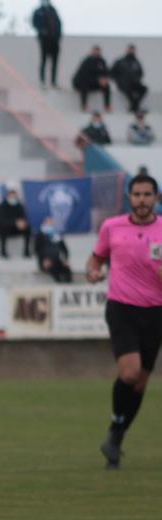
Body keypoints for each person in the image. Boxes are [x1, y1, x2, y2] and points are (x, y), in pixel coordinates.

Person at [85, 173, 162, 471]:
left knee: (140, 384)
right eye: (137, 194)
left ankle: (116, 435)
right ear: (129, 197)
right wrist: (92, 273)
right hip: (122, 308)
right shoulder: (111, 227)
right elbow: (95, 260)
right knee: (129, 374)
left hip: (155, 312)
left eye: (147, 195)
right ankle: (117, 430)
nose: (142, 200)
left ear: (156, 198)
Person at [31, 0, 63, 89]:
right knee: (44, 60)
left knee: (54, 62)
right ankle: (42, 81)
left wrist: (58, 35)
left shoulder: (53, 11)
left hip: (54, 40)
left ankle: (53, 82)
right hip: (45, 40)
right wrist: (42, 31)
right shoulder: (38, 11)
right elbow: (34, 23)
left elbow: (59, 23)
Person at [110, 44, 148, 114]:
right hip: (123, 84)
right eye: (130, 49)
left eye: (133, 50)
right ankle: (135, 108)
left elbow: (141, 73)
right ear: (127, 50)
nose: (132, 51)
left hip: (134, 83)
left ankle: (133, 107)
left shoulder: (136, 62)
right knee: (129, 92)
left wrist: (137, 79)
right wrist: (119, 80)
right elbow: (112, 73)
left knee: (144, 89)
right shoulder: (120, 61)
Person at [72, 46, 112, 113]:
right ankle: (84, 105)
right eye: (95, 51)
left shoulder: (102, 61)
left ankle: (107, 106)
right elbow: (84, 75)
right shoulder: (87, 60)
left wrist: (105, 80)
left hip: (95, 83)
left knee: (107, 86)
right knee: (84, 85)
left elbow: (106, 73)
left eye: (98, 51)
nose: (96, 52)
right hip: (83, 82)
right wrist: (98, 80)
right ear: (92, 51)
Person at [0, 189, 31, 258]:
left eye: (15, 197)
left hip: (16, 229)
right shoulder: (2, 206)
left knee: (28, 228)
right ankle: (3, 251)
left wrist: (22, 223)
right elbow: (0, 221)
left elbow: (24, 217)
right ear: (7, 197)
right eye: (12, 197)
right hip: (4, 229)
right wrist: (15, 223)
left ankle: (26, 251)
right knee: (3, 228)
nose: (13, 199)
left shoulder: (19, 206)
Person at [33, 217, 72, 283]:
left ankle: (68, 286)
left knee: (67, 270)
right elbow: (37, 250)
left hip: (57, 260)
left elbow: (65, 249)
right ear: (44, 223)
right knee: (54, 269)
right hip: (46, 261)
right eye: (49, 223)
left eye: (52, 223)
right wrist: (43, 260)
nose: (51, 225)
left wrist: (65, 259)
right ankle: (59, 285)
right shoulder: (40, 235)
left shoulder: (57, 235)